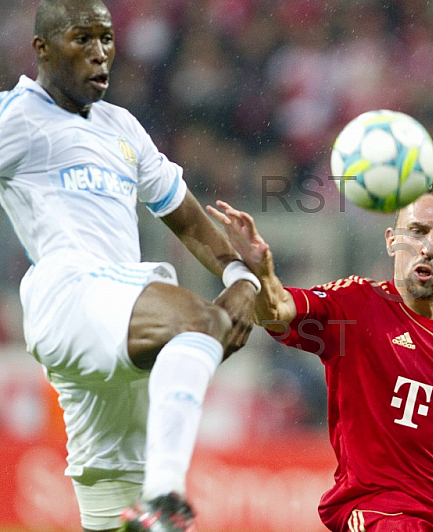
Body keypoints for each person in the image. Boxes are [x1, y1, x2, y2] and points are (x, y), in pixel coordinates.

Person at [0, 1, 261, 531]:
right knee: (200, 321)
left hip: (118, 319)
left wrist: (239, 274)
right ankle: (165, 494)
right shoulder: (17, 117)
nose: (100, 54)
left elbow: (186, 219)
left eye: (107, 38)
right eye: (82, 39)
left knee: (111, 496)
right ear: (42, 48)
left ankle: (144, 499)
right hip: (68, 292)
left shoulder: (121, 126)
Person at [207, 184, 433, 532]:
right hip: (381, 514)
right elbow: (277, 310)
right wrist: (261, 272)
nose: (427, 246)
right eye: (416, 231)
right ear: (392, 240)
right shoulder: (355, 308)